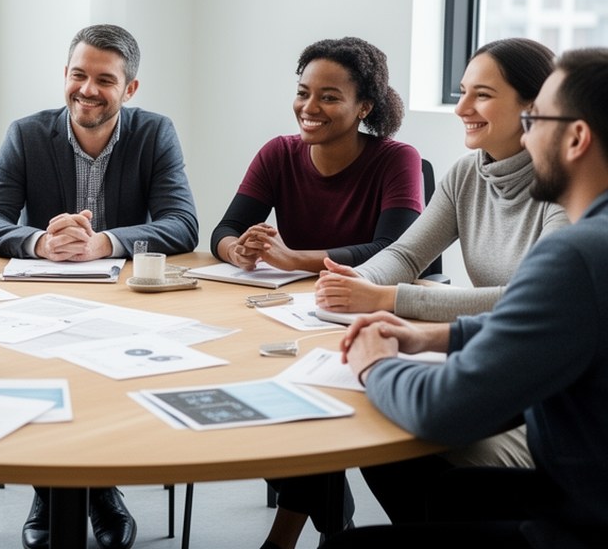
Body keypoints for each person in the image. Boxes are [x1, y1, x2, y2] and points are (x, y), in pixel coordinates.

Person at [326, 47, 608, 549]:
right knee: (455, 494)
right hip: (581, 477)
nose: (528, 130)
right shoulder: (593, 241)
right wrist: (434, 334)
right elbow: (549, 323)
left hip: (580, 515)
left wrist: (375, 363)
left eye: (536, 116)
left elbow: (446, 409)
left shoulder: (578, 251)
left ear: (577, 138)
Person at [0, 23, 198, 549]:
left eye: (104, 79)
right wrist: (39, 244)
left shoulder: (154, 132)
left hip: (123, 299)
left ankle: (99, 489)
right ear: (64, 76)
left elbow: (183, 224)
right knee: (43, 368)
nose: (87, 90)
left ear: (130, 89)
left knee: (107, 375)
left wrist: (107, 242)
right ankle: (53, 491)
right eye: (78, 75)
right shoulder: (27, 133)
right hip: (39, 297)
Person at [210, 37, 423, 549]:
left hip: (360, 310)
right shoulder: (279, 153)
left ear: (363, 106)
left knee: (313, 395)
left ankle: (288, 535)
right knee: (279, 386)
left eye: (329, 97)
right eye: (304, 92)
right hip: (287, 313)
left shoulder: (398, 159)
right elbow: (225, 228)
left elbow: (394, 248)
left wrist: (295, 259)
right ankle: (332, 524)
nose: (309, 107)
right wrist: (238, 250)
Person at [315, 38, 567, 323]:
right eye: (462, 92)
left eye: (482, 95)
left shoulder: (571, 185)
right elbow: (406, 255)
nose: (461, 108)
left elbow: (532, 298)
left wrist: (385, 297)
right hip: (498, 338)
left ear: (533, 107)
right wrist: (361, 278)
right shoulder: (466, 173)